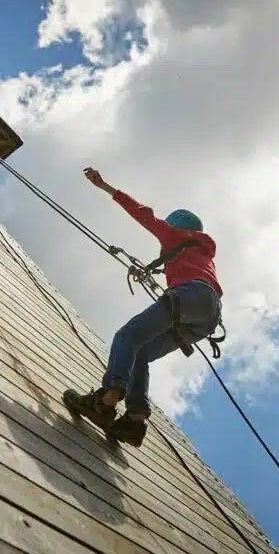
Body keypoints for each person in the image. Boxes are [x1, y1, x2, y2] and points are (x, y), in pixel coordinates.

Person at [63, 167, 223, 447]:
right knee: (141, 353)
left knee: (127, 336)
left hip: (189, 297)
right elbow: (185, 272)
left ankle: (106, 401)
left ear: (177, 226)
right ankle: (134, 422)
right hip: (206, 316)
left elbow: (143, 214)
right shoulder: (198, 251)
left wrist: (105, 186)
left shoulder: (175, 235)